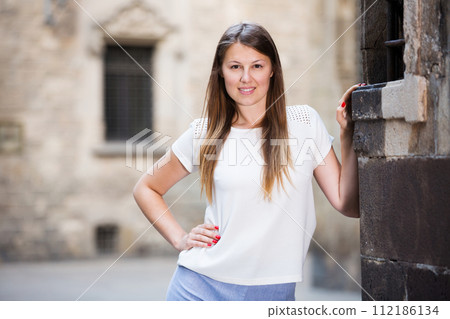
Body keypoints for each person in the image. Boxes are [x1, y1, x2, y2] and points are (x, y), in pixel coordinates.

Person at [133, 22, 362, 301]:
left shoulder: (304, 123)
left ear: (272, 69)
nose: (246, 78)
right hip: (198, 291)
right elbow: (146, 188)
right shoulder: (204, 133)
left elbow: (347, 204)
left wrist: (347, 134)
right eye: (234, 67)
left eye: (257, 66)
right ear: (220, 73)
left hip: (273, 295)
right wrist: (179, 238)